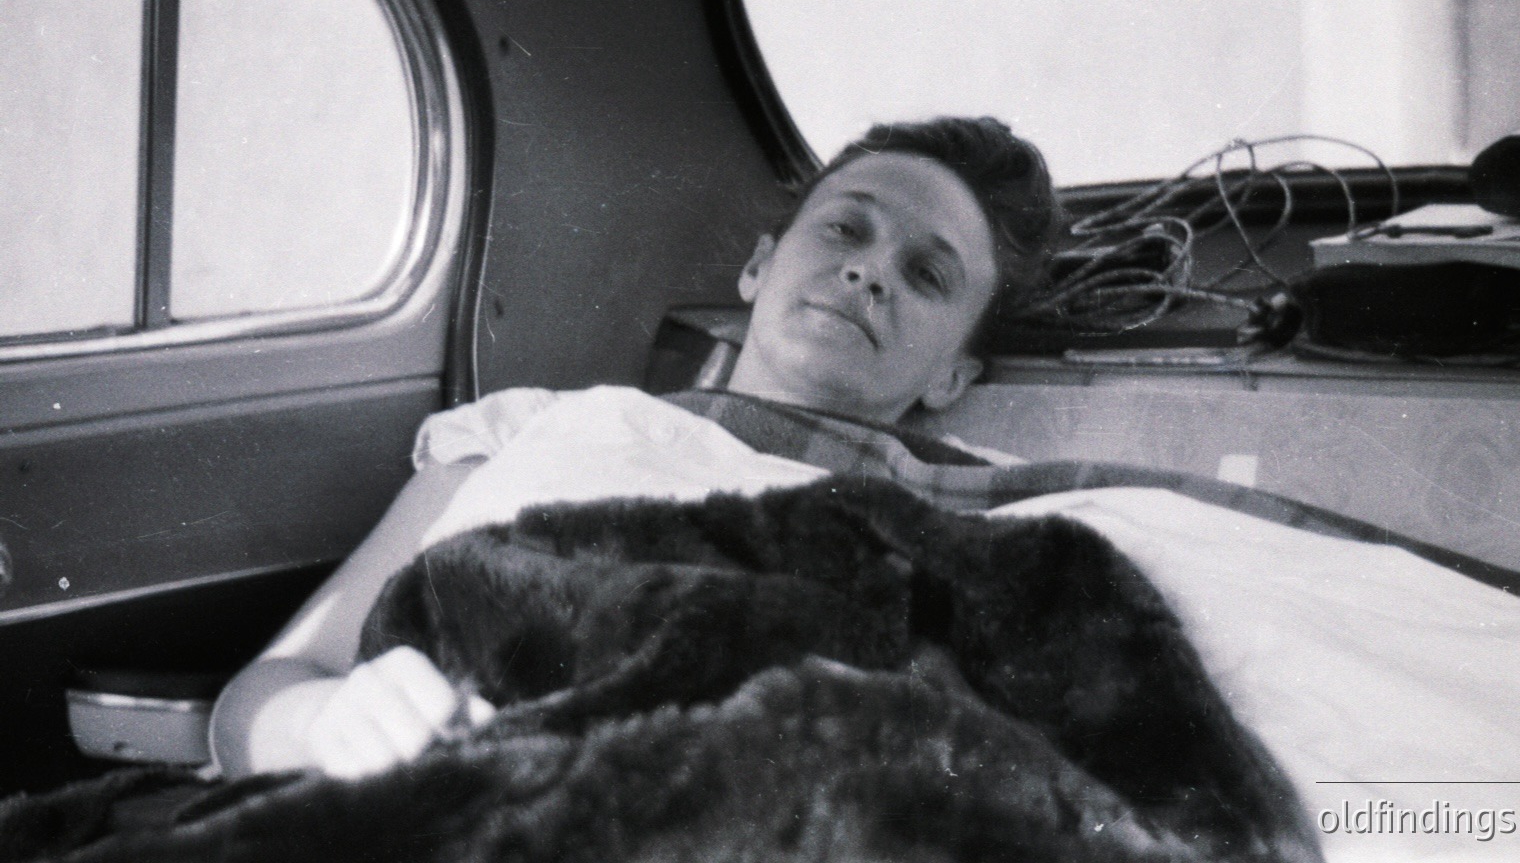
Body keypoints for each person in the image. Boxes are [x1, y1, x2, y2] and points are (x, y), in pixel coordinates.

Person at [208, 116, 1060, 778]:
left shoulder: (993, 510)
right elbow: (269, 689)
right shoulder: (528, 426)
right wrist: (325, 724)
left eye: (926, 275)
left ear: (954, 375)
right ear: (759, 268)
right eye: (846, 229)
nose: (871, 271)